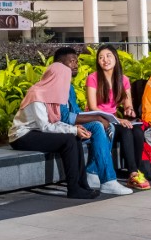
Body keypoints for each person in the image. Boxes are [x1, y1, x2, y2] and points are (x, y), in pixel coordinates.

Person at [9, 62, 99, 199]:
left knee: (74, 137)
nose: (66, 84)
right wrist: (72, 130)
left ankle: (83, 185)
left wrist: (74, 129)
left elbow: (55, 122)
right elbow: (45, 126)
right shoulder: (37, 94)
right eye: (64, 80)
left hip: (37, 131)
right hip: (22, 135)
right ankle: (74, 188)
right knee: (70, 139)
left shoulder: (52, 96)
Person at [54, 46, 133, 195]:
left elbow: (75, 112)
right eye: (72, 61)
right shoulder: (58, 85)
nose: (77, 65)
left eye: (77, 61)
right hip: (57, 130)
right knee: (99, 125)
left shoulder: (68, 86)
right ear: (60, 64)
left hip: (71, 126)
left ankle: (92, 172)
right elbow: (64, 117)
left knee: (108, 127)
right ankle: (108, 180)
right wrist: (96, 117)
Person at [85, 44, 150, 190]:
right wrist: (119, 120)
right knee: (126, 130)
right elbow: (93, 107)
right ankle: (133, 174)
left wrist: (129, 110)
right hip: (99, 120)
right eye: (101, 57)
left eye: (108, 56)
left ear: (115, 58)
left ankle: (135, 171)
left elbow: (129, 105)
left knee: (138, 131)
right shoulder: (93, 78)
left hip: (114, 120)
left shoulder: (123, 79)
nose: (105, 60)